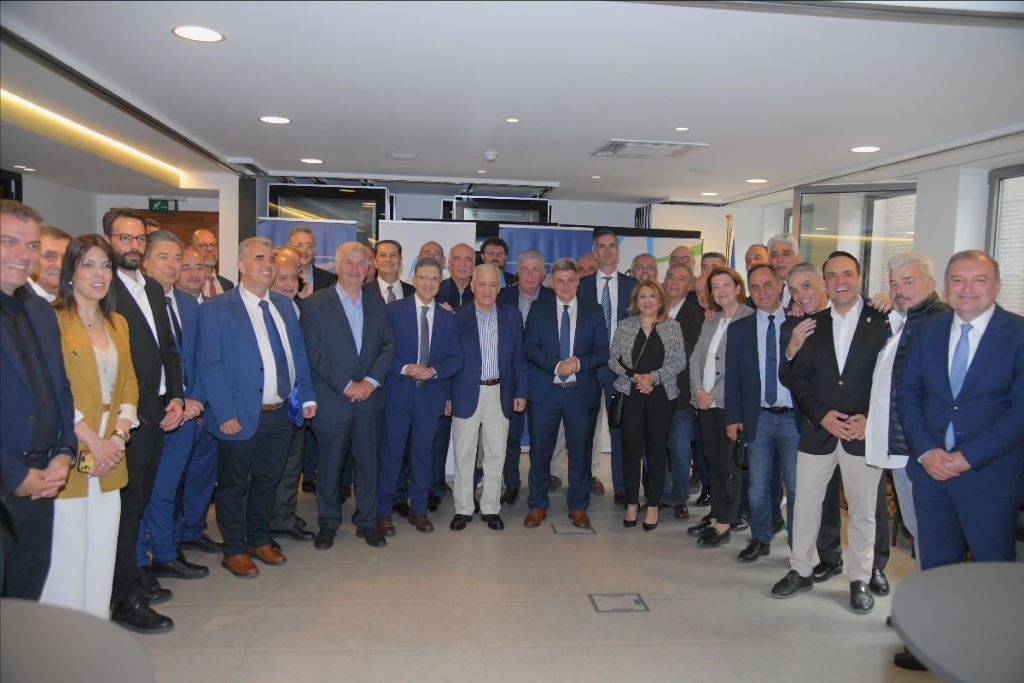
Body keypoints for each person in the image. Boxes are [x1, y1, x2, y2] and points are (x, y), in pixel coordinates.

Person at [772, 251, 888, 614]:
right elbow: (799, 379)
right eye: (833, 275)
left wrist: (870, 418)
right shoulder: (811, 325)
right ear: (826, 281)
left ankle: (860, 578)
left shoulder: (881, 321)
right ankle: (800, 569)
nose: (840, 281)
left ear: (859, 276)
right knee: (804, 504)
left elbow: (891, 379)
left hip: (861, 433)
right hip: (817, 431)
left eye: (847, 274)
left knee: (863, 511)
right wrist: (821, 416)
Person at [197, 237, 317, 577]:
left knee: (268, 480)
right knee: (234, 486)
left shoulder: (283, 306)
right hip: (238, 416)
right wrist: (224, 413)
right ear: (241, 265)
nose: (268, 265)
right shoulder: (217, 309)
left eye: (270, 259)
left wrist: (307, 397)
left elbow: (298, 357)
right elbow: (210, 365)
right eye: (259, 258)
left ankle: (259, 539)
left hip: (280, 414)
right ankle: (234, 548)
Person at [898, 251, 1023, 567]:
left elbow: (1019, 412)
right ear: (946, 285)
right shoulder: (927, 330)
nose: (967, 289)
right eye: (958, 280)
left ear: (997, 285)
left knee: (992, 572)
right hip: (930, 475)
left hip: (990, 477)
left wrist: (967, 457)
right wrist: (926, 451)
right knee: (936, 569)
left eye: (979, 280)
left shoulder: (1018, 334)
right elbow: (908, 394)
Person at [859, 252, 949, 671]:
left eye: (908, 282)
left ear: (931, 284)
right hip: (902, 448)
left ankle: (932, 632)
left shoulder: (937, 322)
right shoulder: (908, 320)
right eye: (894, 282)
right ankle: (923, 616)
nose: (899, 290)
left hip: (921, 452)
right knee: (920, 536)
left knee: (932, 540)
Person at [40, 235, 138, 618]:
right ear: (71, 271)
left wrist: (117, 437)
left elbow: (129, 384)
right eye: (89, 265)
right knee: (69, 553)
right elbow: (51, 391)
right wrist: (94, 441)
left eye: (106, 266)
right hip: (70, 448)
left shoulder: (118, 323)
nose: (100, 274)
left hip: (111, 453)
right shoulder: (51, 320)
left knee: (102, 551)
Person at [104, 207, 183, 632]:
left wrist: (176, 396)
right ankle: (124, 597)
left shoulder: (151, 287)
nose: (133, 246)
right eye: (125, 238)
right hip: (125, 417)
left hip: (157, 411)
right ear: (108, 241)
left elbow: (167, 348)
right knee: (124, 507)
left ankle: (132, 578)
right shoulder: (105, 288)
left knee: (137, 503)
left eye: (139, 239)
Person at [0, 200, 75, 600]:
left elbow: (59, 390)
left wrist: (64, 452)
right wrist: (14, 476)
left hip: (43, 480)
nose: (22, 254)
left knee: (25, 595)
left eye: (31, 245)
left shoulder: (41, 312)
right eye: (8, 241)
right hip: (10, 480)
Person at [302, 242, 394, 549]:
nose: (356, 269)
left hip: (370, 399)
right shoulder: (315, 304)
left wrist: (369, 382)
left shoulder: (378, 304)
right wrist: (346, 385)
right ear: (337, 266)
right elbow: (314, 352)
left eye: (361, 263)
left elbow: (388, 345)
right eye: (349, 262)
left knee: (369, 465)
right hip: (333, 399)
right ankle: (328, 523)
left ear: (369, 269)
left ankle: (367, 522)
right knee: (330, 466)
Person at [136, 232, 208, 581]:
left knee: (167, 490)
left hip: (186, 413)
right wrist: (165, 405)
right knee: (141, 492)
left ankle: (165, 552)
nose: (172, 265)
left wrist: (194, 400)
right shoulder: (132, 304)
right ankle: (138, 560)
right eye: (162, 257)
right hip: (147, 416)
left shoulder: (189, 304)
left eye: (177, 257)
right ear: (144, 261)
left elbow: (199, 359)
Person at [376, 257, 462, 535]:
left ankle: (420, 511)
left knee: (423, 458)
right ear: (413, 280)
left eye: (434, 278)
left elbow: (456, 359)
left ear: (440, 282)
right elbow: (381, 352)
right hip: (398, 396)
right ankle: (383, 513)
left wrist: (434, 371)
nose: (428, 283)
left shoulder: (449, 319)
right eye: (423, 277)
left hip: (430, 399)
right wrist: (405, 368)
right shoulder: (393, 311)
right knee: (391, 456)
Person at [523, 258, 608, 529]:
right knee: (540, 452)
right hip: (546, 392)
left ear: (578, 281)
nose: (566, 286)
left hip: (579, 393)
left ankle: (578, 506)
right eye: (560, 281)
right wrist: (555, 365)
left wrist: (578, 363)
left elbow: (602, 351)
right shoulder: (539, 309)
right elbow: (530, 347)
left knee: (580, 453)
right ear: (551, 283)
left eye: (571, 280)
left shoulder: (594, 310)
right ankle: (537, 504)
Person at [724, 264, 800, 563]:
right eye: (754, 287)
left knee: (796, 486)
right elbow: (733, 377)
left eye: (768, 284)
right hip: (759, 418)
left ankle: (799, 546)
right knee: (757, 485)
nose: (762, 292)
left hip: (794, 418)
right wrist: (733, 417)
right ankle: (760, 538)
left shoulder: (798, 323)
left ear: (780, 285)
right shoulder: (739, 329)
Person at [449, 264, 528, 531]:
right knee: (464, 454)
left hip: (500, 393)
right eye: (481, 284)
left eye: (493, 285)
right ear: (472, 286)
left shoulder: (513, 317)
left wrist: (521, 391)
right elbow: (449, 358)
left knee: (496, 453)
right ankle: (463, 508)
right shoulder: (457, 317)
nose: (487, 290)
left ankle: (491, 507)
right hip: (465, 392)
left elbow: (519, 358)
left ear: (499, 288)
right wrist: (448, 395)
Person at [609, 280, 685, 530]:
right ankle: (632, 504)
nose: (648, 301)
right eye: (642, 296)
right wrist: (635, 377)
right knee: (631, 452)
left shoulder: (672, 327)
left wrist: (654, 378)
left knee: (656, 454)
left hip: (660, 396)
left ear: (660, 300)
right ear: (636, 301)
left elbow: (679, 361)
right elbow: (613, 360)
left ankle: (652, 505)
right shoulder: (625, 325)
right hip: (631, 393)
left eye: (652, 296)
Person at [686, 267, 753, 547]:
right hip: (705, 404)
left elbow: (741, 369)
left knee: (729, 466)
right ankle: (715, 515)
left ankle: (725, 522)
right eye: (715, 287)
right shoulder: (711, 320)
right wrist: (698, 391)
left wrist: (712, 395)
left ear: (738, 288)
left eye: (726, 285)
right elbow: (695, 359)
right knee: (712, 462)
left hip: (729, 405)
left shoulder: (748, 319)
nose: (721, 291)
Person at [578, 229, 637, 503]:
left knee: (620, 430)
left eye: (612, 245)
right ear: (594, 252)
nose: (607, 250)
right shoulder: (581, 285)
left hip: (622, 368)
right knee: (584, 429)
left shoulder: (632, 286)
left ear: (618, 250)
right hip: (589, 367)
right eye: (601, 246)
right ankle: (581, 486)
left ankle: (622, 490)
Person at [173, 248, 223, 555]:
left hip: (210, 408)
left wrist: (204, 400)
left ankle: (193, 529)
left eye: (200, 267)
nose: (194, 273)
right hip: (179, 409)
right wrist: (190, 399)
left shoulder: (216, 307)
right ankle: (170, 536)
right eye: (187, 267)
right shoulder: (166, 306)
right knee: (175, 477)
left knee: (203, 475)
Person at [496, 249, 555, 505]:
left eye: (535, 270)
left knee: (541, 439)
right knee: (510, 435)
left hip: (544, 378)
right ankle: (511, 483)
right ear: (517, 271)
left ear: (543, 273)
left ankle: (538, 488)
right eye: (525, 269)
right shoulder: (502, 297)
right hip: (511, 379)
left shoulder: (554, 298)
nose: (530, 275)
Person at [661, 264, 704, 520]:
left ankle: (679, 499)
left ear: (689, 286)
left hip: (680, 396)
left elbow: (687, 352)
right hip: (651, 395)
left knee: (680, 451)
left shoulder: (696, 315)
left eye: (682, 279)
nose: (675, 282)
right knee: (654, 451)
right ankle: (661, 496)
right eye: (671, 276)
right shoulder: (651, 307)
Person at [28, 224, 71, 302]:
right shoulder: (16, 302)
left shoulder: (79, 303)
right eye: (49, 256)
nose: (60, 265)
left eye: (66, 258)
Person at [287, 226, 334, 293]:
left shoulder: (330, 280)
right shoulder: (278, 279)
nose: (304, 251)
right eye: (298, 245)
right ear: (288, 248)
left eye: (309, 246)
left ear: (314, 250)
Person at [190, 229, 233, 298]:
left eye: (213, 245)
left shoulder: (228, 285)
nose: (209, 249)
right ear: (191, 249)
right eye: (203, 245)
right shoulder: (188, 283)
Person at [767, 233, 800, 310]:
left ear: (798, 258)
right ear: (769, 260)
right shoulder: (763, 290)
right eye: (774, 255)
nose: (780, 260)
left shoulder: (809, 291)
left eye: (786, 254)